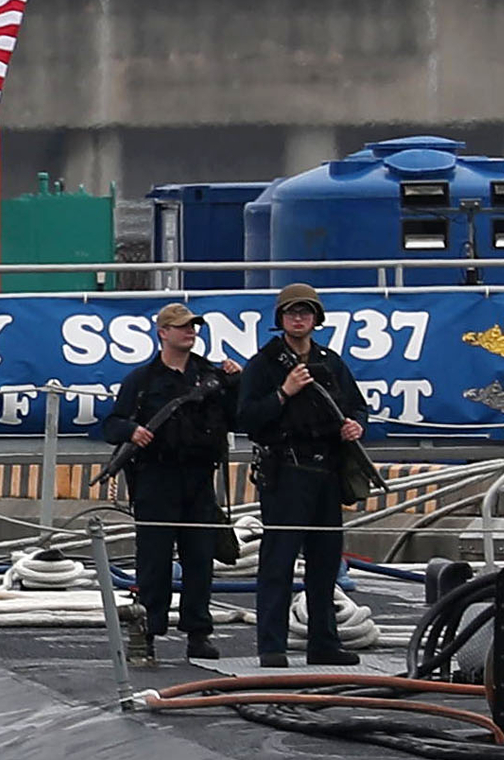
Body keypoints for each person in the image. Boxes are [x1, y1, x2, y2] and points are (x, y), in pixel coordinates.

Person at [232, 283, 369, 668]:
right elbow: (246, 418)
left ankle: (323, 642)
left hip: (327, 470)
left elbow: (357, 407)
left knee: (326, 563)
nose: (298, 319)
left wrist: (355, 426)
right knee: (279, 561)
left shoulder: (330, 362)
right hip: (286, 471)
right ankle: (271, 645)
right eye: (292, 313)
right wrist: (283, 393)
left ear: (316, 319)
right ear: (281, 319)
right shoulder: (264, 365)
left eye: (305, 313)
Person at [101, 303, 240, 664]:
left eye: (193, 327)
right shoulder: (142, 381)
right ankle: (148, 631)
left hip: (198, 477)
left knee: (199, 559)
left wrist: (236, 381)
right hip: (156, 478)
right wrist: (134, 430)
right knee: (154, 562)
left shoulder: (210, 375)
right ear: (163, 332)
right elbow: (110, 425)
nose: (189, 332)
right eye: (181, 327)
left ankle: (198, 632)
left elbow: (239, 414)